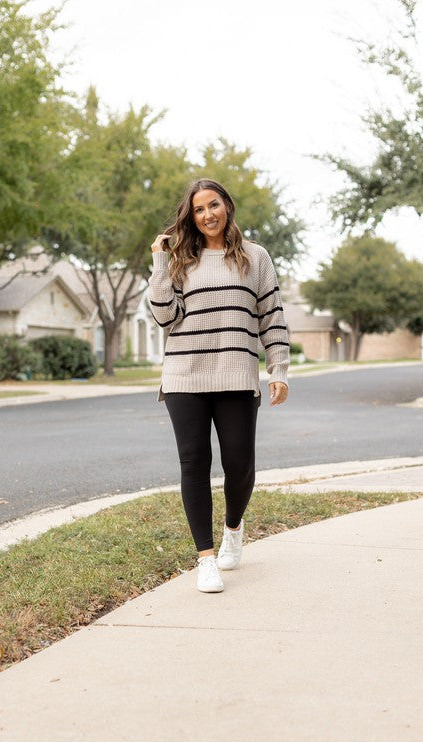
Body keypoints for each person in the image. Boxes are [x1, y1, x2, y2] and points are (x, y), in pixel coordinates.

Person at [148, 178, 289, 593]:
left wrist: (278, 368)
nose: (208, 214)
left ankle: (233, 529)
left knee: (240, 465)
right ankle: (205, 559)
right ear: (190, 216)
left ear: (227, 205)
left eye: (214, 204)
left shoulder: (255, 257)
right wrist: (159, 261)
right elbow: (162, 317)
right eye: (198, 209)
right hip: (184, 375)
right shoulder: (179, 261)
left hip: (236, 372)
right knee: (193, 463)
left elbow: (272, 316)